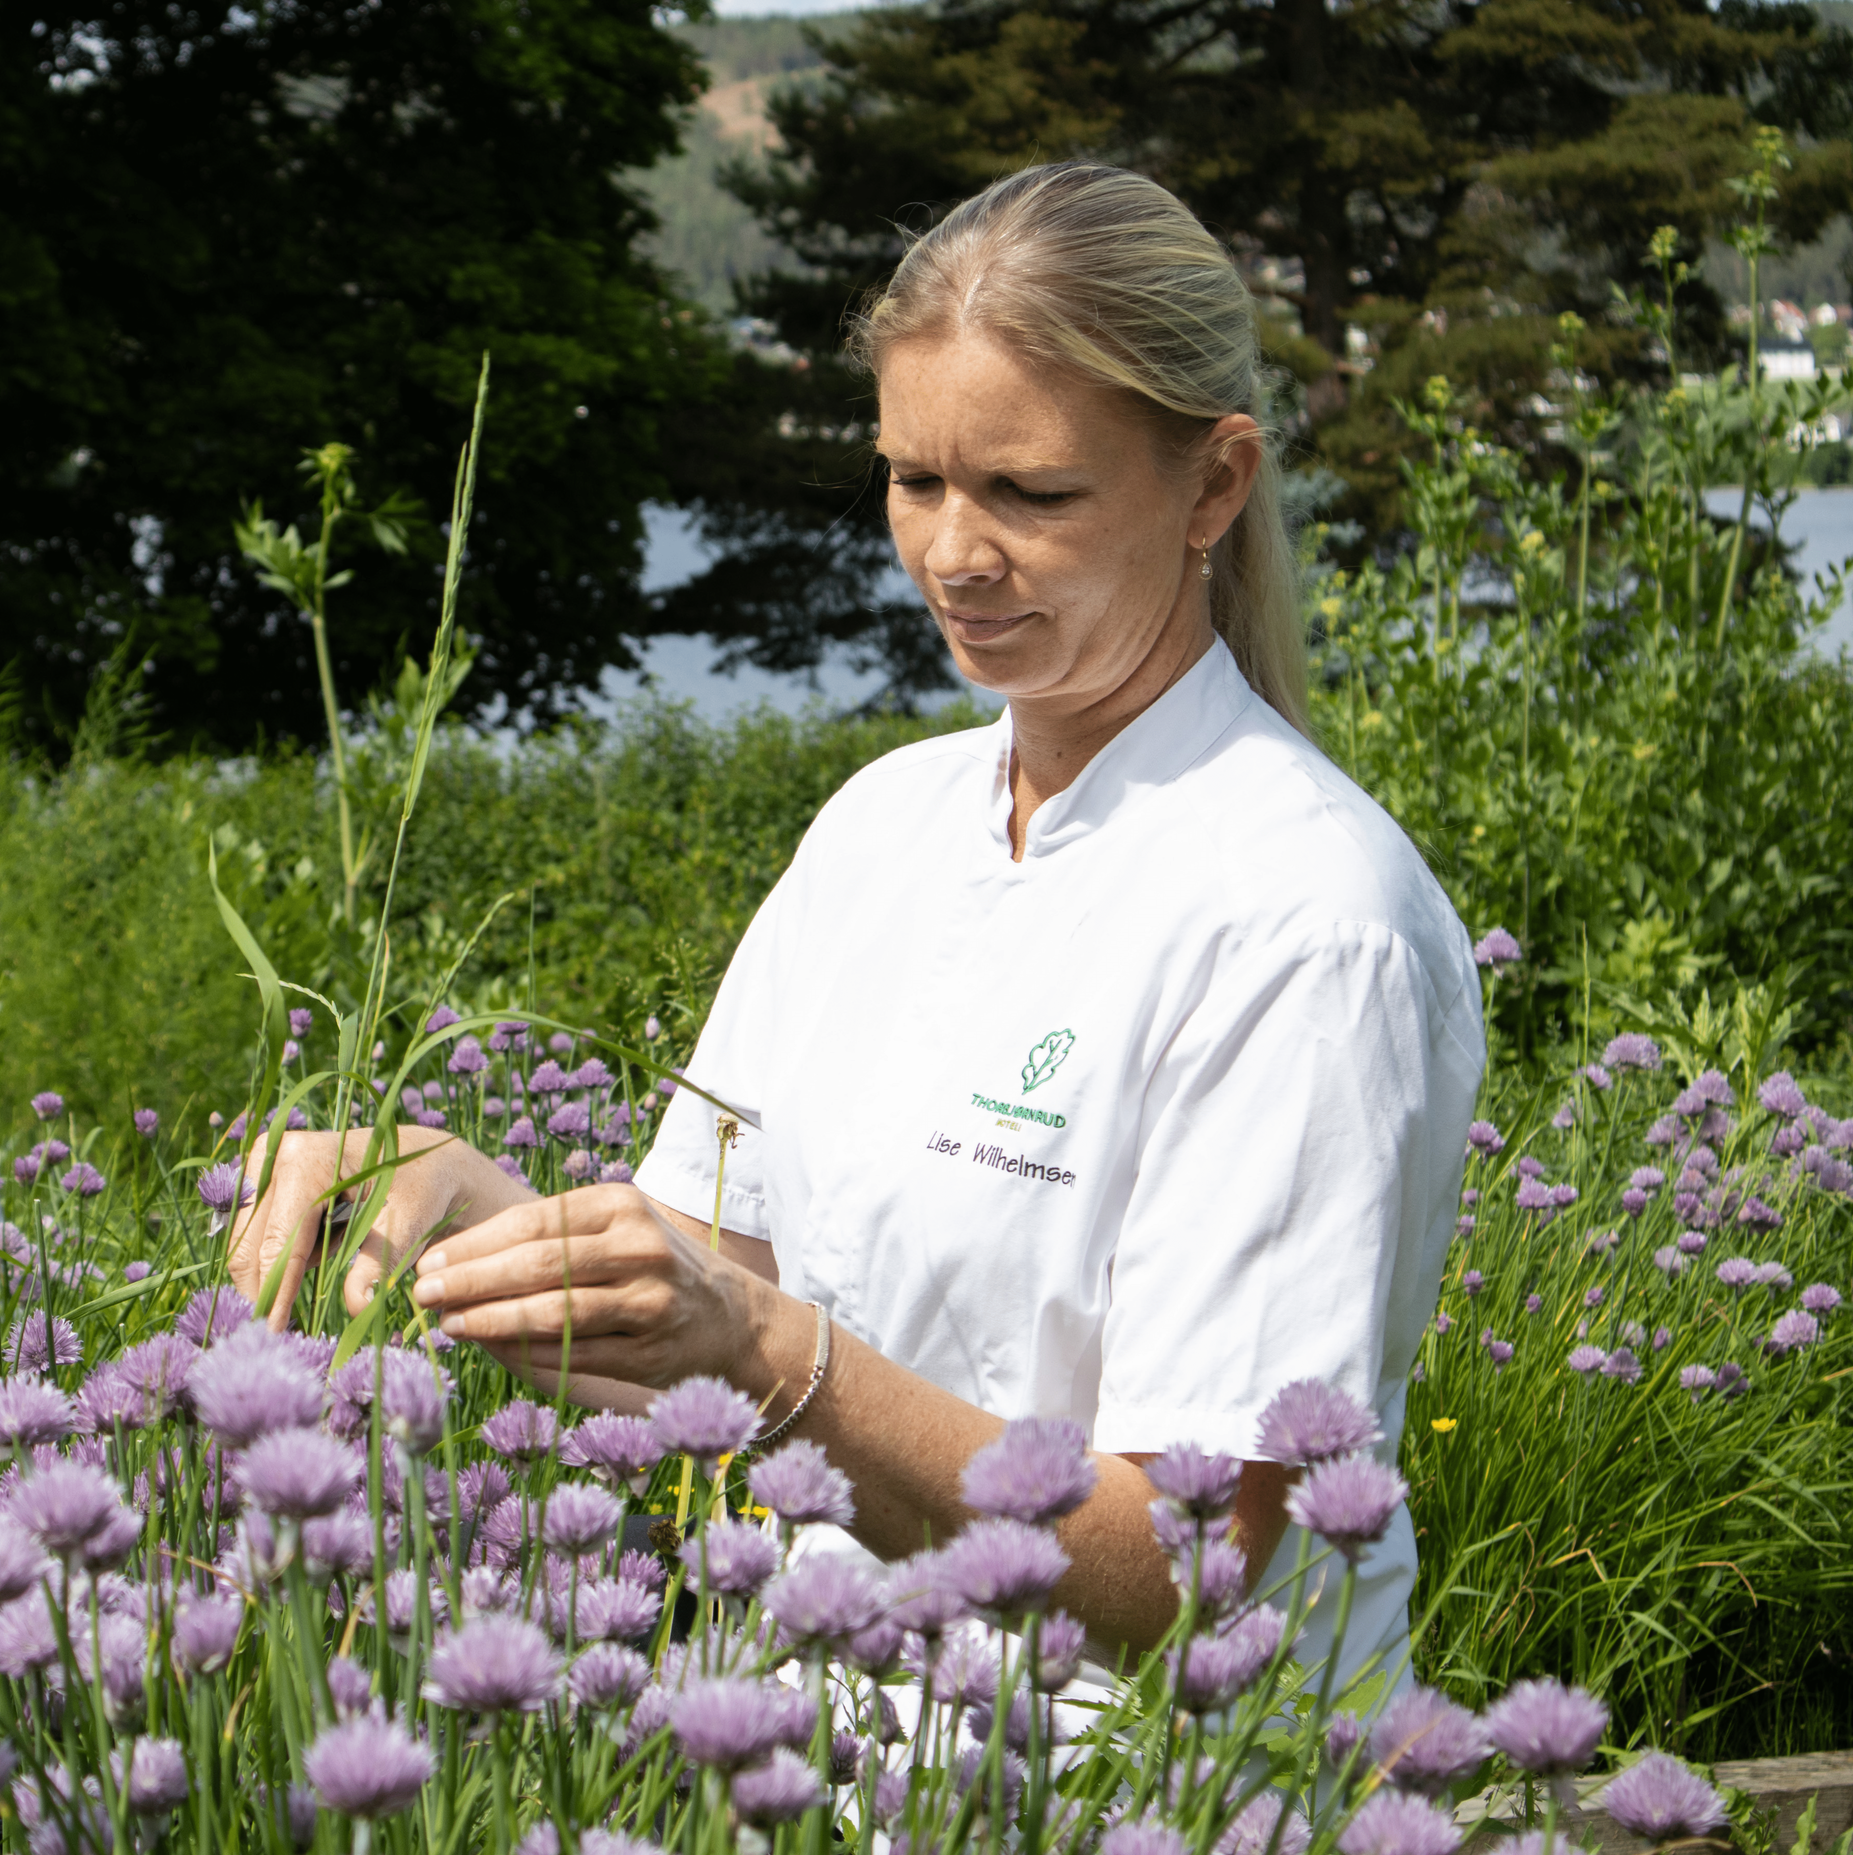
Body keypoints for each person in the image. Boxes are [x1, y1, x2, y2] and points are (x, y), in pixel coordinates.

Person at [230, 162, 1484, 1683]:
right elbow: (696, 1295)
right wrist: (456, 1206)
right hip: (813, 1761)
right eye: (916, 479)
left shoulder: (1305, 925)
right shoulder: (882, 828)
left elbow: (1188, 1569)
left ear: (1215, 485)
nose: (955, 552)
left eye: (1029, 491)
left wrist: (778, 1359)